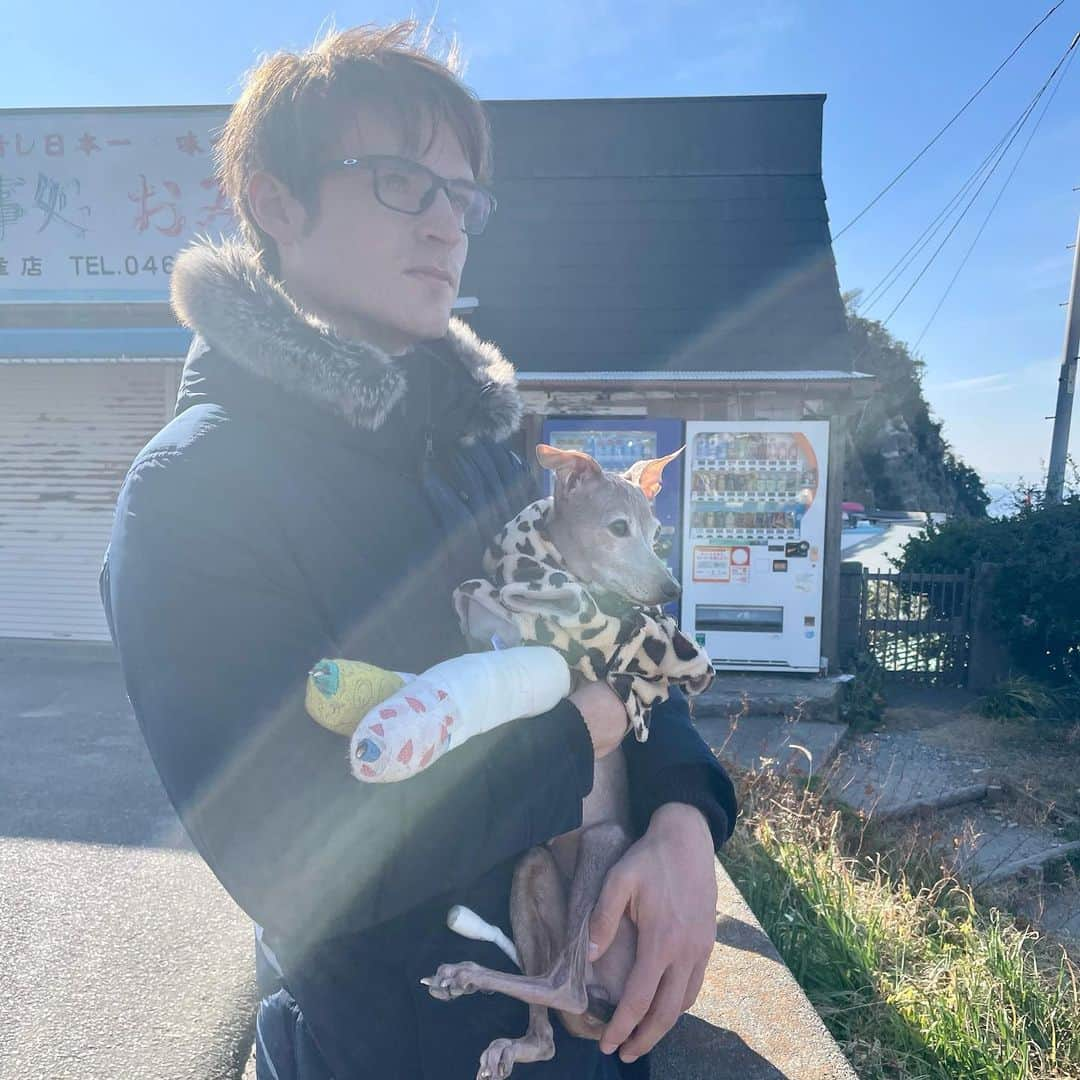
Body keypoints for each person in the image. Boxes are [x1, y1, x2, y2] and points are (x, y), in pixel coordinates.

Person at [100, 22, 737, 1080]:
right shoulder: (193, 494)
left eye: (464, 196)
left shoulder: (484, 455)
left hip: (592, 1044)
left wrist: (683, 815)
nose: (448, 225)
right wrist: (576, 737)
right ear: (274, 201)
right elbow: (291, 858)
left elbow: (622, 640)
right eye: (402, 181)